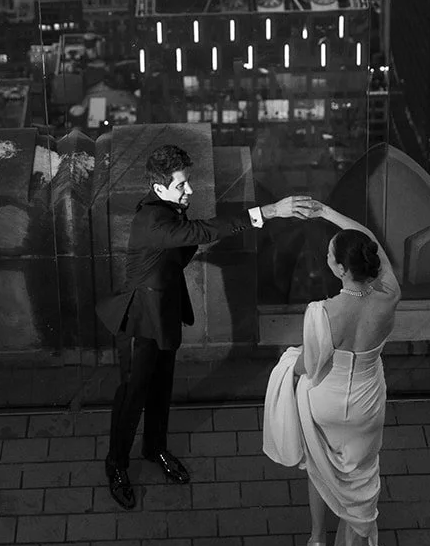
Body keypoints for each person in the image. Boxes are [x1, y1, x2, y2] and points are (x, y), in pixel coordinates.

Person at [97, 143, 315, 510]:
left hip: (163, 312)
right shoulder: (152, 219)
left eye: (188, 182)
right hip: (139, 320)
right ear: (159, 187)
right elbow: (204, 231)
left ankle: (154, 449)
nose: (190, 190)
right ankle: (116, 464)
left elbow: (191, 236)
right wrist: (271, 211)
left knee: (162, 388)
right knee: (131, 397)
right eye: (182, 185)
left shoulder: (168, 207)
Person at [264, 202, 400, 546]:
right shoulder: (389, 295)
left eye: (330, 254)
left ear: (340, 268)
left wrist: (287, 364)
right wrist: (327, 212)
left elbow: (309, 365)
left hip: (325, 400)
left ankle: (318, 540)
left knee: (319, 469)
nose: (326, 256)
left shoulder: (322, 312)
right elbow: (370, 240)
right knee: (362, 469)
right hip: (367, 401)